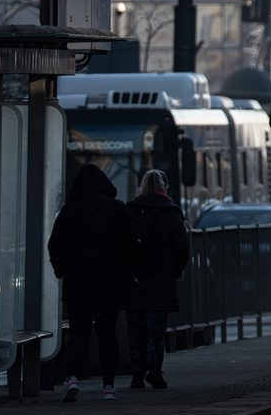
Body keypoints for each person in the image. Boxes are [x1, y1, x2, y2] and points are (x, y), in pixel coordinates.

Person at [48, 163, 135, 402]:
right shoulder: (117, 209)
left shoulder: (69, 211)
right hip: (110, 282)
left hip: (78, 283)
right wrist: (124, 271)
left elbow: (55, 245)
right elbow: (130, 245)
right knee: (107, 332)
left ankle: (72, 378)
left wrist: (61, 269)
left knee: (78, 333)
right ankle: (108, 386)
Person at [123, 170, 190, 390]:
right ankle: (154, 371)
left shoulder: (131, 210)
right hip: (161, 280)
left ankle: (136, 374)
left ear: (142, 186)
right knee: (156, 330)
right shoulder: (171, 212)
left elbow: (121, 243)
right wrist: (174, 270)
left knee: (136, 330)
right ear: (164, 186)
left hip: (135, 281)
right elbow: (182, 248)